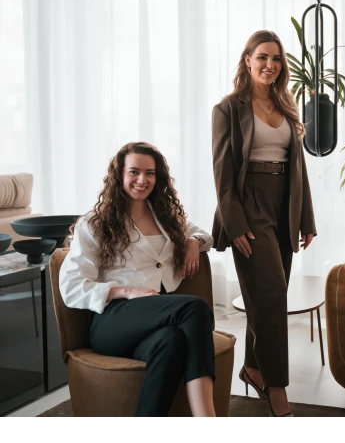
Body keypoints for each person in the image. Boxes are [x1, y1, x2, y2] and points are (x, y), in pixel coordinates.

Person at [59, 142, 216, 417]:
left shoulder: (166, 217)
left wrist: (193, 240)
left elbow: (206, 236)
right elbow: (71, 286)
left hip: (155, 319)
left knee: (171, 341)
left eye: (150, 173)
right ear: (120, 174)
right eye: (134, 172)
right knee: (195, 307)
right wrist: (125, 291)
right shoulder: (96, 222)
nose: (142, 180)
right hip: (113, 320)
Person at [211, 30, 316, 417]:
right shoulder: (227, 109)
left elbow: (299, 168)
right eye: (262, 57)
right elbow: (223, 174)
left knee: (269, 297)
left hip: (284, 205)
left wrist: (306, 219)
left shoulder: (287, 105)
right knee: (271, 295)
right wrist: (235, 224)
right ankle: (276, 387)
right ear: (247, 60)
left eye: (276, 59)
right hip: (249, 205)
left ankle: (253, 368)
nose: (270, 65)